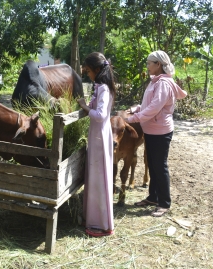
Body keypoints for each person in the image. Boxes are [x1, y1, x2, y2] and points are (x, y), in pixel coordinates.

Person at [125, 50, 187, 217]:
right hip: (151, 131)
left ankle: (164, 202)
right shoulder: (155, 82)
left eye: (149, 63)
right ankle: (153, 197)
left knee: (160, 166)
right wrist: (135, 109)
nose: (147, 66)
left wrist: (132, 119)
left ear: (158, 64)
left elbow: (154, 108)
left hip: (160, 132)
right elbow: (148, 104)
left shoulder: (163, 84)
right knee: (152, 165)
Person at [77, 52, 116, 237]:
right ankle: (94, 219)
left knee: (98, 179)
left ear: (98, 70)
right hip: (98, 135)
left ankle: (100, 224)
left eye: (89, 71)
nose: (88, 74)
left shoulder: (103, 89)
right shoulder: (101, 87)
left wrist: (85, 107)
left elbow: (100, 116)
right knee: (95, 177)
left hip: (99, 136)